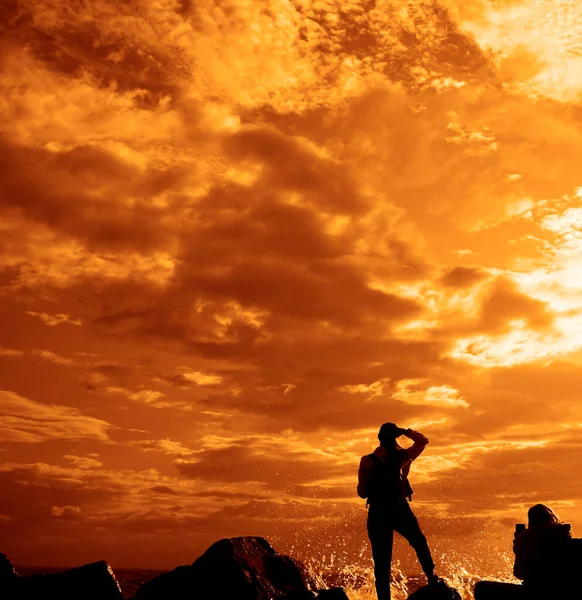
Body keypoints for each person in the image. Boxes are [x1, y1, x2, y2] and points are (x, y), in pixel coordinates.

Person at [358, 422, 439, 600]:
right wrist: (405, 431)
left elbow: (362, 493)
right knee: (419, 541)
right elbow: (423, 441)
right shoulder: (404, 456)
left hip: (378, 512)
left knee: (382, 561)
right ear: (395, 437)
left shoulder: (368, 460)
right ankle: (432, 578)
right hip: (399, 508)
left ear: (379, 439)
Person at [474, 504, 576, 599]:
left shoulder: (528, 536)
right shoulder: (565, 537)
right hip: (563, 592)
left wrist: (518, 550)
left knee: (480, 587)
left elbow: (519, 573)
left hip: (534, 593)